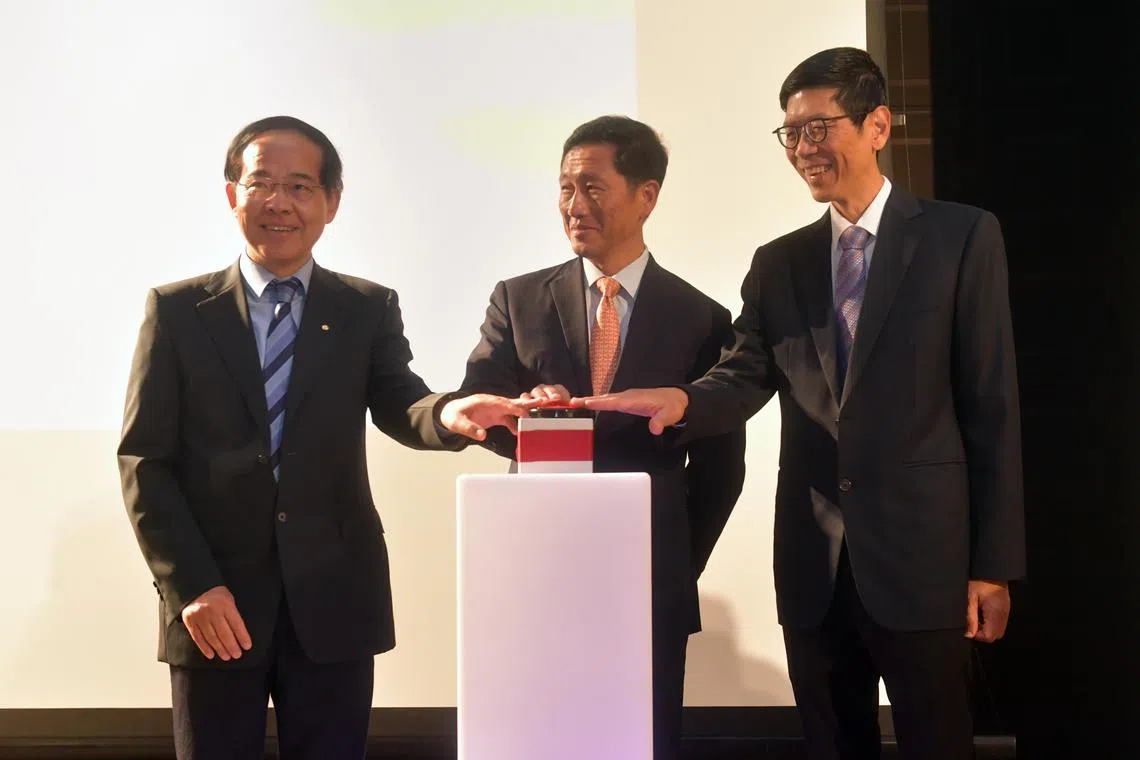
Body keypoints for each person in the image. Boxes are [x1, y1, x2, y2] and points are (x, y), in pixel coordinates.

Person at [577, 49, 1026, 760]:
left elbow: (990, 404)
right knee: (832, 744)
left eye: (819, 128)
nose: (803, 149)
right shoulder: (779, 261)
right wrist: (683, 400)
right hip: (814, 562)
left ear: (877, 125)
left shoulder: (960, 237)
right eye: (790, 133)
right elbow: (745, 373)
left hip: (925, 560)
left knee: (938, 742)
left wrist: (991, 563)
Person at [117, 115, 522, 760]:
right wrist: (189, 584)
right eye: (261, 183)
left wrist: (449, 415)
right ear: (232, 194)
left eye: (301, 187)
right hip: (215, 601)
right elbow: (144, 461)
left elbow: (401, 401)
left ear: (332, 203)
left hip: (333, 593)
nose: (279, 202)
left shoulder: (363, 307)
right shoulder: (176, 311)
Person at [458, 115, 747, 760]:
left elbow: (723, 469)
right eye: (564, 188)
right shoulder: (518, 298)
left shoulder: (701, 317)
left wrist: (669, 558)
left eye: (592, 187)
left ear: (647, 195)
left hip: (647, 578)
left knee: (643, 741)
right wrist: (525, 417)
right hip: (533, 568)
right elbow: (484, 413)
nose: (573, 205)